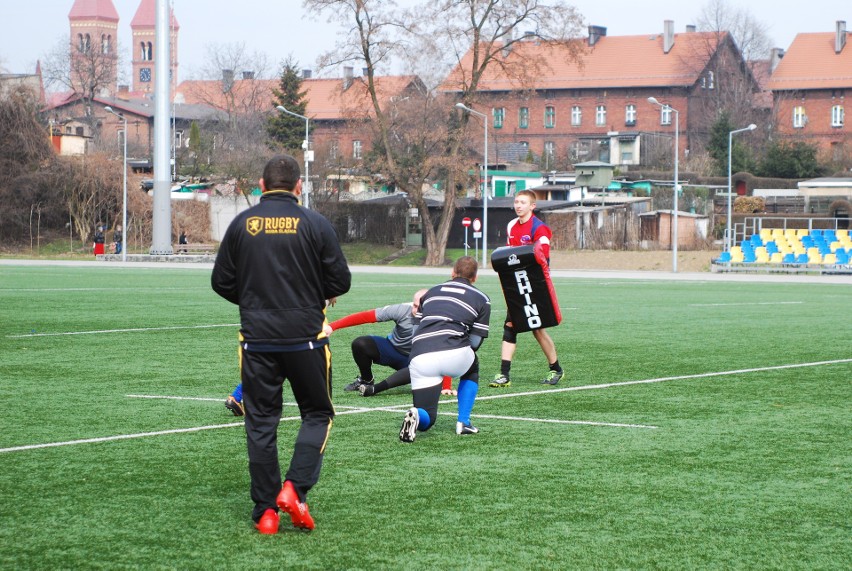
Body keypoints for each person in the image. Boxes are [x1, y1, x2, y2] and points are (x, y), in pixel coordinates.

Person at [211, 154, 351, 535]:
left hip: (257, 340)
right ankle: (294, 487)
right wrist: (308, 296)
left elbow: (221, 281)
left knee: (260, 422)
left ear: (260, 184)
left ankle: (266, 512)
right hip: (306, 338)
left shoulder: (242, 223)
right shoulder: (315, 223)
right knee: (318, 414)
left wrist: (257, 301)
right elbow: (340, 282)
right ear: (298, 186)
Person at [223, 289, 453, 414]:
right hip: (289, 323)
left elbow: (443, 349)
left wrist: (446, 385)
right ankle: (311, 406)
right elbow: (361, 313)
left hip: (268, 321)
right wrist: (331, 321)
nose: (413, 308)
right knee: (286, 364)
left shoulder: (437, 319)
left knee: (273, 363)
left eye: (417, 305)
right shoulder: (402, 310)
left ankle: (241, 396)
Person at [399, 256, 491, 443]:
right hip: (454, 353)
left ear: (452, 272)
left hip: (420, 355)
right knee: (472, 366)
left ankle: (416, 415)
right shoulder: (482, 299)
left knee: (428, 418)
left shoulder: (431, 293)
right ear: (475, 278)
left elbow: (418, 328)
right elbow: (475, 343)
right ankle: (463, 423)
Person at [490, 190, 564, 388]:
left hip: (533, 284)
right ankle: (504, 374)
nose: (518, 205)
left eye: (523, 202)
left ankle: (556, 369)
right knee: (510, 327)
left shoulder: (540, 228)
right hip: (516, 283)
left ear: (533, 206)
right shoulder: (511, 226)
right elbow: (510, 254)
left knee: (537, 329)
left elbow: (543, 257)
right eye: (516, 202)